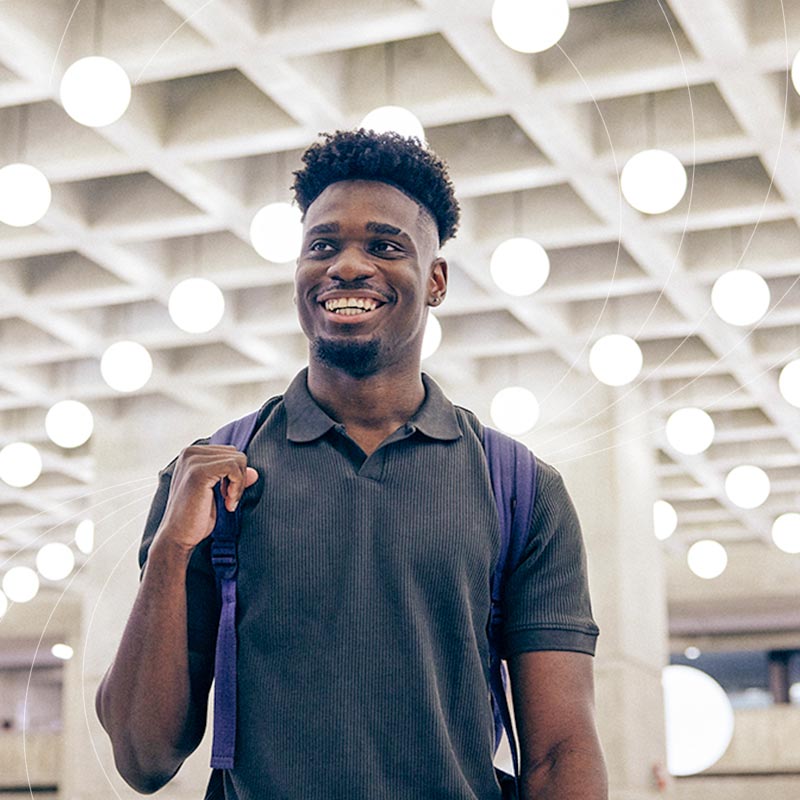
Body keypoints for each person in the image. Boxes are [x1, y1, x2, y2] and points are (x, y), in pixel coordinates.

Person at [95, 129, 607, 800]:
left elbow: (561, 755)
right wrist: (170, 549)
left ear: (436, 281)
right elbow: (144, 757)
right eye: (323, 246)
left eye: (385, 246)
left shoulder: (518, 489)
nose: (347, 266)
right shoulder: (210, 482)